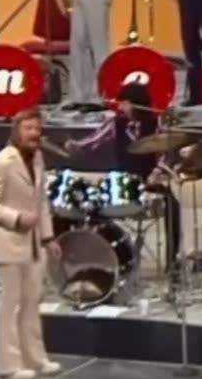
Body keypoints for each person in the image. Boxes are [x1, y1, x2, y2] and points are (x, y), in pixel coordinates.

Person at [0, 108, 62, 379]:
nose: (34, 134)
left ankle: (36, 358)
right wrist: (16, 218)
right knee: (11, 305)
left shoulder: (37, 158)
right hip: (9, 241)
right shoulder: (1, 162)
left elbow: (41, 202)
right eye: (28, 129)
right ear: (16, 131)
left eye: (37, 129)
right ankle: (9, 365)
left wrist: (48, 237)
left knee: (32, 302)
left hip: (34, 244)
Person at [64, 82, 181, 272]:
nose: (121, 107)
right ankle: (106, 258)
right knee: (93, 204)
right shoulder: (116, 123)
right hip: (123, 183)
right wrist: (76, 146)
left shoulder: (157, 123)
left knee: (173, 206)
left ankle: (172, 260)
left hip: (149, 182)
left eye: (124, 103)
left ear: (135, 103)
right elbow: (93, 140)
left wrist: (157, 173)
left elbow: (165, 153)